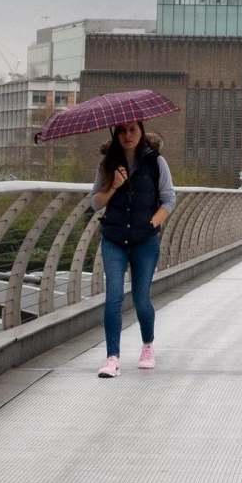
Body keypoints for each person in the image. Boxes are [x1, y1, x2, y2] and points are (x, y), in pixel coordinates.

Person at [92, 119, 174, 378]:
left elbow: (169, 198)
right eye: (122, 131)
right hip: (114, 238)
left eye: (132, 130)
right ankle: (112, 358)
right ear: (115, 135)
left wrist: (154, 221)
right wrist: (113, 185)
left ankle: (147, 346)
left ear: (141, 132)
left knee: (141, 299)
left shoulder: (156, 162)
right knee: (113, 297)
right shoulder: (107, 164)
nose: (127, 135)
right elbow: (95, 202)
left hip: (144, 240)